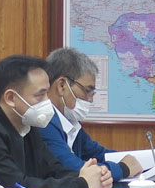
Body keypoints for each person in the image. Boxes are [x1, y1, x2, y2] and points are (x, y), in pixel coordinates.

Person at [0, 55, 113, 188]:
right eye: (40, 95)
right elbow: (18, 186)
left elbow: (53, 169)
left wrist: (92, 177)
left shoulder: (28, 124)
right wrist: (82, 185)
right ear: (11, 98)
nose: (47, 102)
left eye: (47, 94)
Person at [39, 47, 142, 181]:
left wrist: (136, 160)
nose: (90, 99)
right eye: (87, 91)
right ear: (62, 85)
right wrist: (123, 168)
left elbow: (98, 154)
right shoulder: (43, 122)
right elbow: (73, 168)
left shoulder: (70, 121)